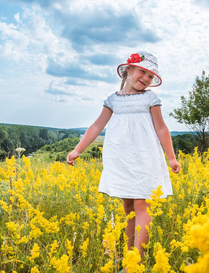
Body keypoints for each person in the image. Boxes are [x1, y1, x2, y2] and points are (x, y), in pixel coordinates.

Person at [66, 51, 180, 264]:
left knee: (141, 204)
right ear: (128, 70)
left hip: (145, 156)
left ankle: (135, 263)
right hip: (121, 156)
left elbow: (162, 129)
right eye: (142, 72)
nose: (146, 79)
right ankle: (129, 255)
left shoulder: (150, 99)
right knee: (128, 208)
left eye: (150, 77)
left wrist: (171, 158)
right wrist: (77, 150)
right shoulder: (113, 101)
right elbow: (97, 126)